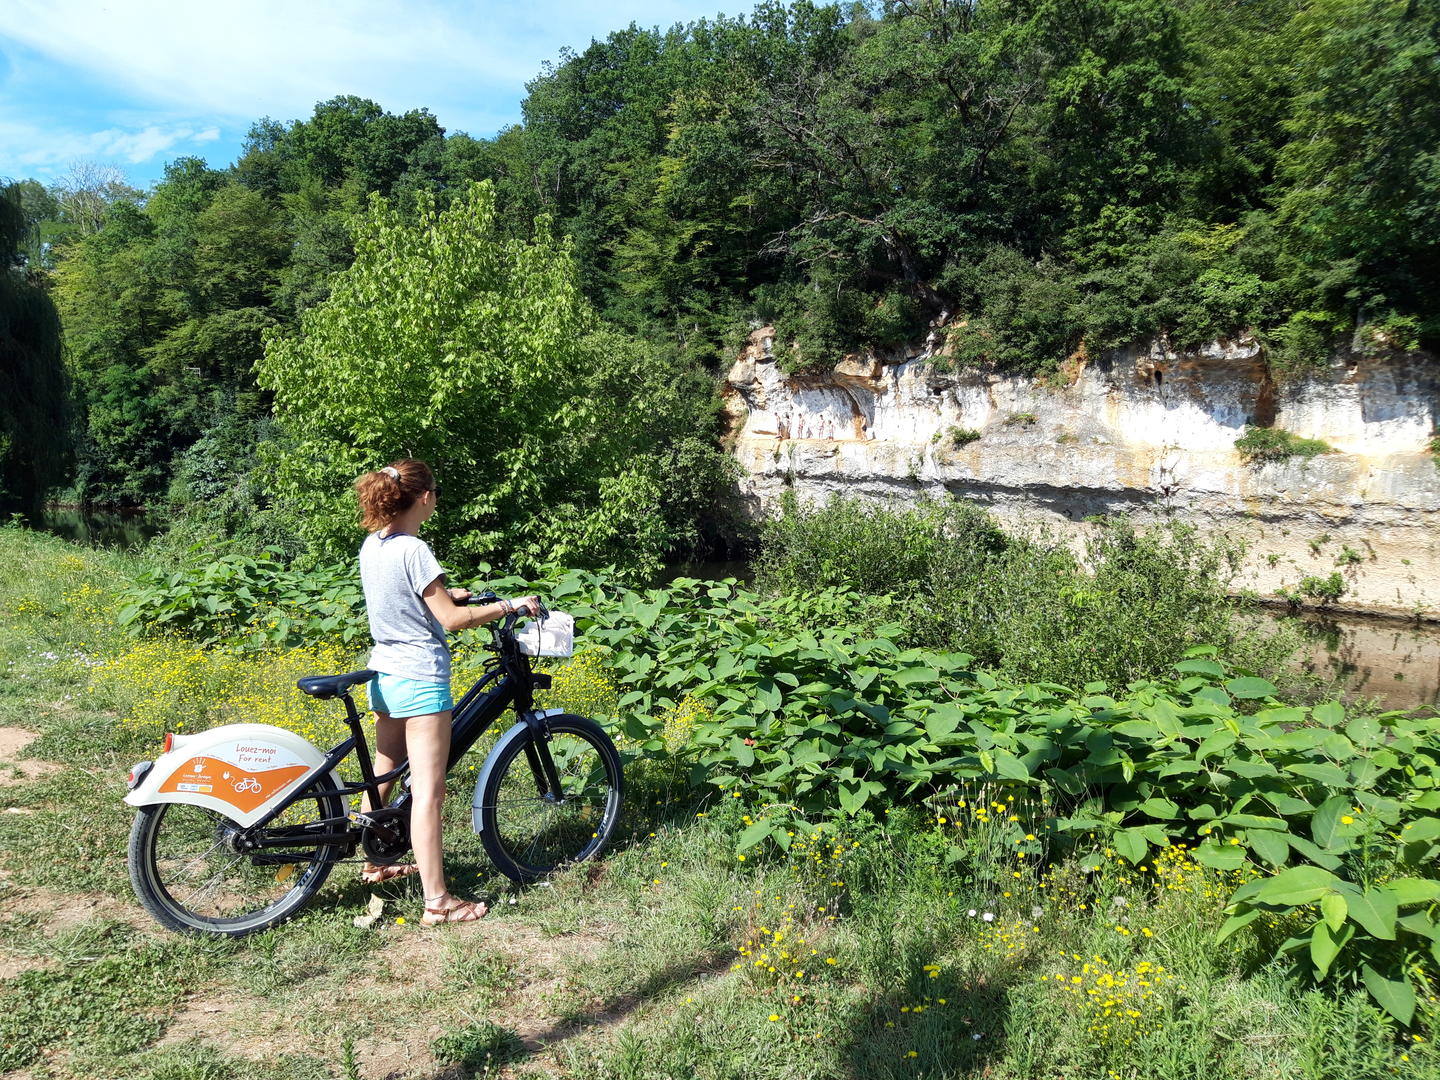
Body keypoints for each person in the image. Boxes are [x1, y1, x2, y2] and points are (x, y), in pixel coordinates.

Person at [353, 458, 539, 925]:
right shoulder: (415, 549)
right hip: (419, 678)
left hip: (384, 673)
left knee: (384, 772)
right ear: (425, 498)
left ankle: (375, 860)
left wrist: (445, 593)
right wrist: (507, 605)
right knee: (430, 793)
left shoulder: (374, 545)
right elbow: (450, 621)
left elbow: (403, 597)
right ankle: (437, 902)